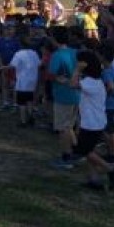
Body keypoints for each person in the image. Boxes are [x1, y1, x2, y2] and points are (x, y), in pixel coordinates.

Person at [69, 50, 114, 191]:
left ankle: (111, 168)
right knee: (90, 150)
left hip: (91, 124)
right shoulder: (96, 81)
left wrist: (77, 70)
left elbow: (72, 84)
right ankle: (94, 179)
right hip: (96, 121)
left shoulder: (90, 82)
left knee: (84, 151)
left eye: (79, 62)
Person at [48, 26, 79, 169]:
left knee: (63, 128)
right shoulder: (76, 52)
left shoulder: (57, 55)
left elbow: (51, 74)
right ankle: (76, 152)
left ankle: (66, 157)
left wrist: (60, 79)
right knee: (70, 126)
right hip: (77, 94)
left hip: (63, 95)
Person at [8, 34, 42, 127]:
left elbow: (12, 66)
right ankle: (31, 117)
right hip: (32, 81)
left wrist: (2, 68)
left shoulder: (19, 54)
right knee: (29, 100)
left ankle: (23, 121)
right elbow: (39, 64)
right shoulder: (34, 53)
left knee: (22, 103)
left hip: (23, 82)